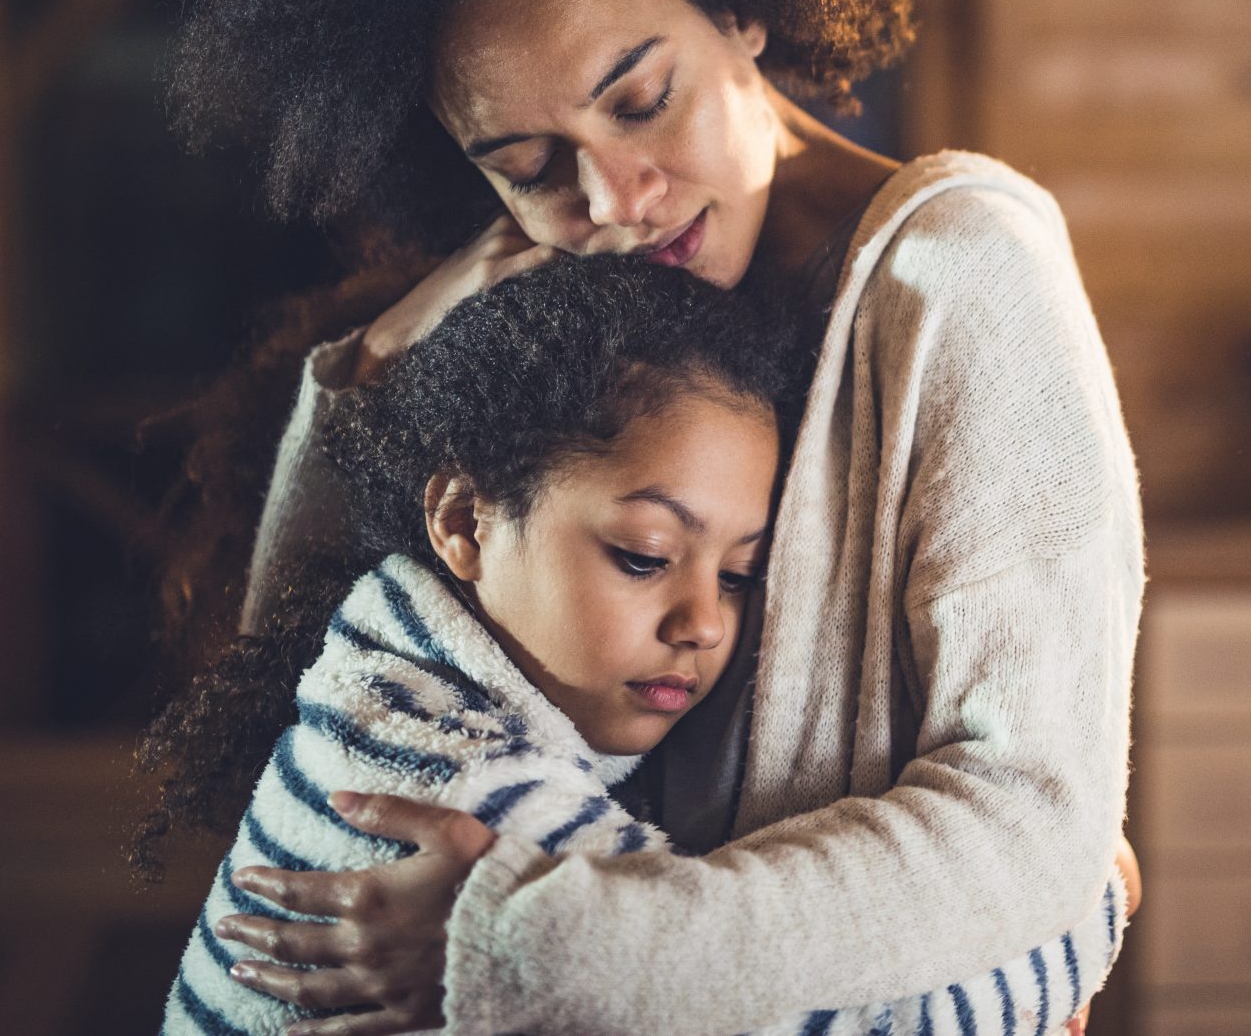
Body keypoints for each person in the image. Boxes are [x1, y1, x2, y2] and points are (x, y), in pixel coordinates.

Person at [148, 0, 1147, 1032]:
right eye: (527, 163)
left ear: (741, 7)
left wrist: (543, 946)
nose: (614, 198)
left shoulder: (960, 274)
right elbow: (300, 713)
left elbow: (1030, 818)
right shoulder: (568, 304)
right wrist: (377, 363)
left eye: (641, 98)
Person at [157, 256, 1125, 1035]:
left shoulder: (385, 682)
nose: (703, 621)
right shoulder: (457, 793)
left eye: (738, 575)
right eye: (643, 555)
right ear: (462, 519)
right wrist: (1093, 902)